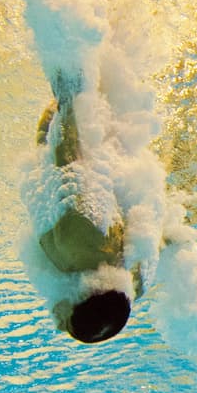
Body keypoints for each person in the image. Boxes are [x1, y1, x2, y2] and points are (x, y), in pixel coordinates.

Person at [33, 74, 133, 344]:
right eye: (65, 323)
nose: (57, 325)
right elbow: (66, 159)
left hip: (76, 141)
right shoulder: (75, 241)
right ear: (80, 300)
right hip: (77, 122)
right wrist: (68, 95)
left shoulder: (87, 272)